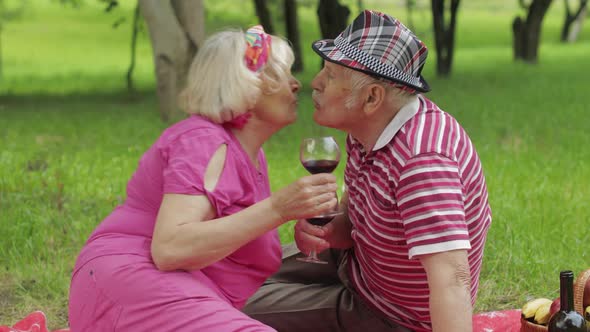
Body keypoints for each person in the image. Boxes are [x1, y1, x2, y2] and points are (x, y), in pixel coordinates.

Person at [68, 25, 339, 331]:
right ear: (245, 84)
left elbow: (228, 234)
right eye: (281, 74)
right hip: (127, 282)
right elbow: (171, 249)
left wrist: (294, 226)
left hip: (171, 286)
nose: (294, 84)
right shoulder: (202, 141)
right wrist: (278, 210)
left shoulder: (248, 153)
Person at [243, 10, 492, 332]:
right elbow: (361, 222)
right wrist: (334, 228)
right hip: (362, 268)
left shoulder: (422, 163)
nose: (314, 83)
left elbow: (452, 279)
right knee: (234, 270)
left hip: (390, 314)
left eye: (331, 75)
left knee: (227, 306)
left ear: (372, 97)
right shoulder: (369, 131)